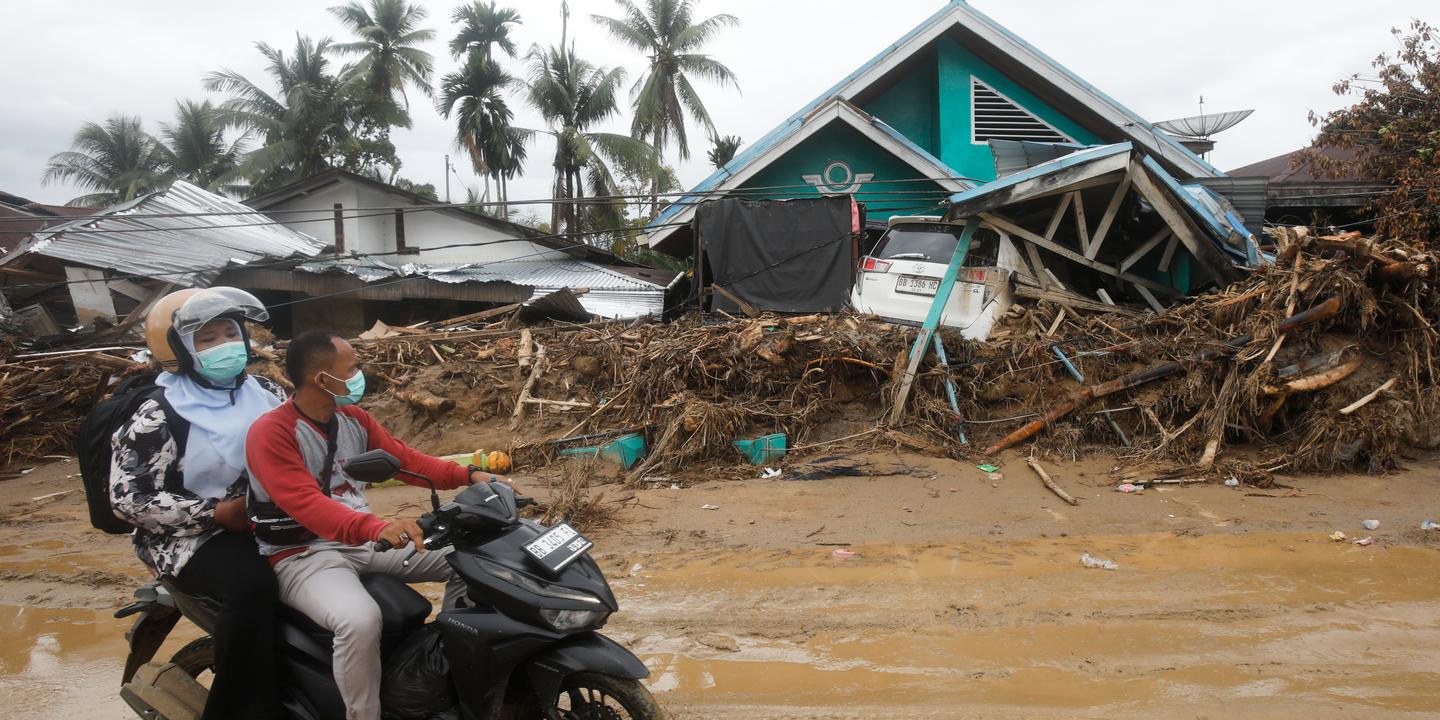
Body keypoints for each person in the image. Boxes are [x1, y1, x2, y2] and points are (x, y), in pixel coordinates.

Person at [245, 329, 511, 720]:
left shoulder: (353, 419)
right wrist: (373, 527)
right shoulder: (272, 432)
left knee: (473, 561)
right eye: (352, 368)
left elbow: (408, 462)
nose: (360, 374)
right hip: (302, 554)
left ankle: (446, 668)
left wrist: (470, 475)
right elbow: (305, 503)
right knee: (359, 620)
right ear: (322, 379)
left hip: (363, 541)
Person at [110, 287, 287, 720]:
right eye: (207, 340)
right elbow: (127, 499)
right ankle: (241, 710)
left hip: (271, 519)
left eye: (231, 333)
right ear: (179, 350)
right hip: (187, 536)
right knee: (253, 587)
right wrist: (214, 513)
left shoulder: (266, 393)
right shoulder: (159, 413)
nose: (225, 345)